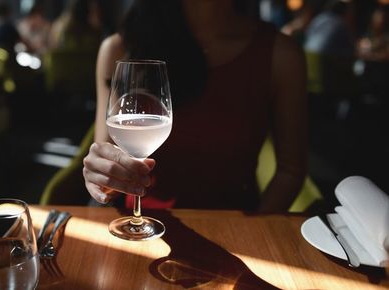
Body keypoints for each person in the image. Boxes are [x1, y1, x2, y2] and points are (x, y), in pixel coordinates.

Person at [82, 0, 307, 212]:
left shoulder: (280, 55)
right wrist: (102, 177)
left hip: (234, 228)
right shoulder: (120, 49)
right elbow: (107, 160)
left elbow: (291, 171)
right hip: (141, 229)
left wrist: (256, 231)